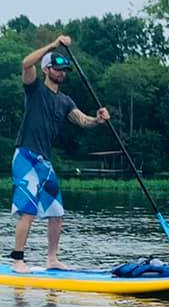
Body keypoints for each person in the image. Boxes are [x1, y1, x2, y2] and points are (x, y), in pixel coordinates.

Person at [10, 36, 109, 272]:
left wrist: (98, 119)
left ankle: (52, 259)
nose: (62, 73)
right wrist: (53, 45)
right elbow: (25, 63)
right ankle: (17, 260)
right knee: (29, 212)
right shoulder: (34, 89)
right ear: (47, 69)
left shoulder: (65, 101)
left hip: (45, 161)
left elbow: (83, 121)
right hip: (25, 156)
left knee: (56, 213)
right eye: (57, 69)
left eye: (64, 70)